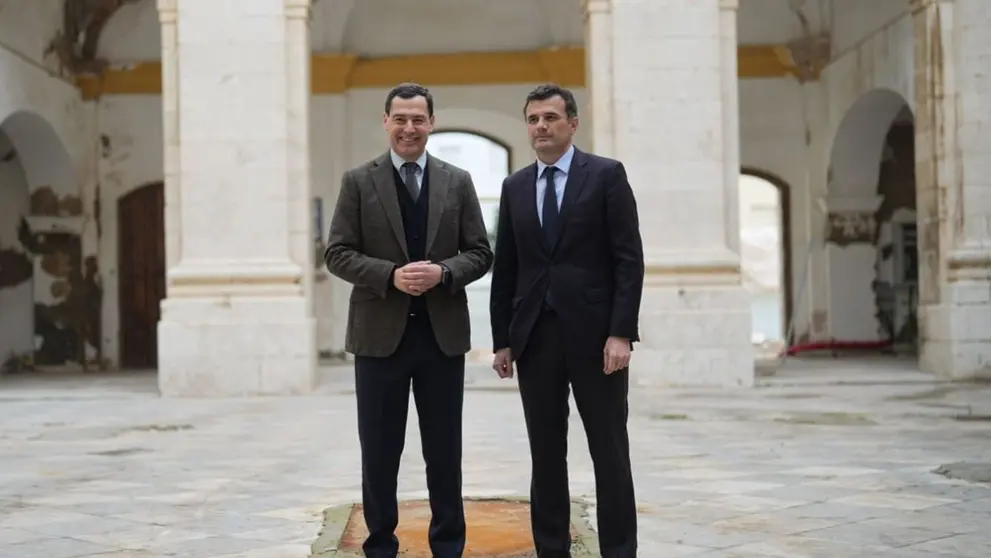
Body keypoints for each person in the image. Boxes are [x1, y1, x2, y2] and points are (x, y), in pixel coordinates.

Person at [324, 82, 493, 558]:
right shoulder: (359, 181)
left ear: (431, 123)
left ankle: (448, 547)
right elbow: (336, 253)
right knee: (379, 453)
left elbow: (481, 253)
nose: (409, 128)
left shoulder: (457, 181)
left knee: (445, 454)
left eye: (418, 119)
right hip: (379, 340)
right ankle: (380, 546)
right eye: (400, 119)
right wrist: (389, 275)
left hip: (441, 339)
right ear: (386, 122)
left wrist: (444, 272)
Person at [489, 84, 644, 557]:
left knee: (609, 452)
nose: (541, 127)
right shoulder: (515, 186)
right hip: (535, 338)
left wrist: (621, 332)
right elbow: (508, 267)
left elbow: (628, 259)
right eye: (534, 119)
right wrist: (502, 340)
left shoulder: (605, 176)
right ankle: (551, 548)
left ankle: (619, 550)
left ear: (572, 124)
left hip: (598, 339)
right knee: (546, 454)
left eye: (551, 118)